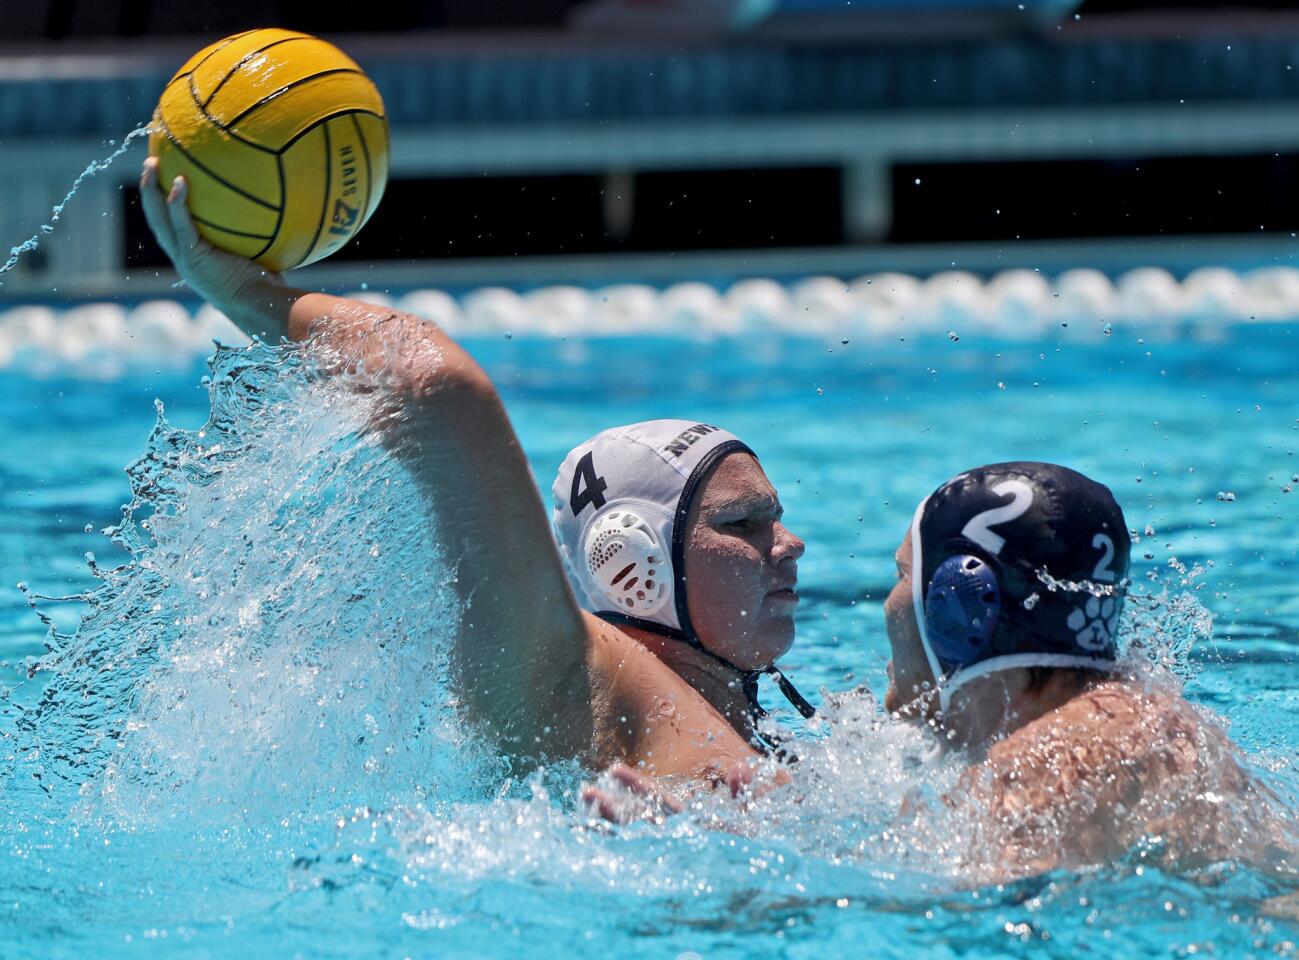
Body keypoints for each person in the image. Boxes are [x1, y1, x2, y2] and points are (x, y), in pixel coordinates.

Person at [138, 158, 810, 783]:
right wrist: (242, 291)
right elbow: (436, 388)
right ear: (632, 561)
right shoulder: (565, 680)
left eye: (773, 518)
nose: (789, 544)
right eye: (742, 523)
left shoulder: (752, 719)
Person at [600, 462, 1291, 877]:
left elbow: (969, 925)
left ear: (962, 604)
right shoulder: (1138, 724)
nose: (886, 603)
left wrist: (724, 873)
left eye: (902, 575)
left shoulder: (1048, 760)